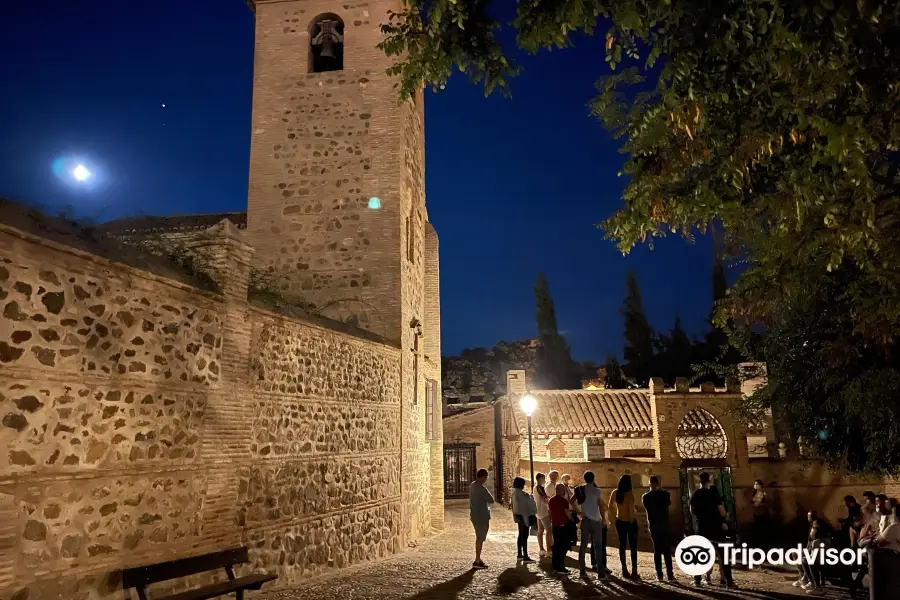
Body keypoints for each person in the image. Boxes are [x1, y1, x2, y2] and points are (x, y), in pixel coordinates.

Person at [689, 472, 734, 588]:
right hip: (716, 528)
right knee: (723, 555)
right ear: (710, 480)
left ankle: (697, 580)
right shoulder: (714, 493)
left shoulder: (695, 494)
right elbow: (722, 511)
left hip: (703, 528)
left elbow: (692, 510)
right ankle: (729, 581)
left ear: (699, 481)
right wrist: (724, 517)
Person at [575, 470, 608, 579]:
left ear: (584, 479)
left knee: (583, 546)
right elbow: (600, 506)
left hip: (585, 521)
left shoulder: (580, 489)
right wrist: (604, 519)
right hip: (596, 520)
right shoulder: (597, 490)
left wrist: (579, 512)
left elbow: (571, 501)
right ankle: (601, 572)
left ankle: (582, 570)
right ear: (593, 478)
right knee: (598, 547)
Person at [642, 475, 675, 582]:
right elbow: (669, 504)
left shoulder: (645, 497)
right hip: (664, 525)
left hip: (653, 525)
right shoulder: (665, 494)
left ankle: (659, 575)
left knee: (657, 550)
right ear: (658, 483)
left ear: (649, 483)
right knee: (666, 550)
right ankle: (670, 575)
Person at [794, 511, 833, 596]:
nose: (811, 531)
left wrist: (806, 557)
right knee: (806, 559)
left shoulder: (817, 541)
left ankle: (815, 585)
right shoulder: (824, 539)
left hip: (822, 562)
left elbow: (815, 557)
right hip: (825, 560)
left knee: (806, 561)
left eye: (813, 530)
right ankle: (814, 583)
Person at [608, 474, 639, 579]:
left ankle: (624, 569)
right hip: (630, 522)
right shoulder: (630, 493)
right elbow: (631, 508)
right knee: (633, 546)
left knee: (622, 545)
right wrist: (632, 519)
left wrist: (614, 519)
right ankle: (634, 570)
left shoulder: (615, 492)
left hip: (620, 521)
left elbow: (610, 506)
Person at [469, 468, 494, 569]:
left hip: (474, 515)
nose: (486, 479)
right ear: (483, 477)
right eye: (486, 477)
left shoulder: (472, 485)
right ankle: (477, 560)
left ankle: (478, 559)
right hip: (481, 516)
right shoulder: (481, 488)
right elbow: (491, 499)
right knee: (480, 538)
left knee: (478, 538)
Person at [511, 476, 536, 562]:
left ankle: (519, 554)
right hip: (524, 516)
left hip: (518, 516)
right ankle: (525, 555)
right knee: (525, 536)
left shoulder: (514, 493)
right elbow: (528, 506)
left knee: (520, 535)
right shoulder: (522, 494)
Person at [549, 483, 572, 574]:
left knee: (556, 546)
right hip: (562, 526)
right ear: (562, 491)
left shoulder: (551, 500)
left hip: (554, 525)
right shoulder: (563, 501)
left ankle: (555, 566)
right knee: (562, 548)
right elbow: (567, 513)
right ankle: (561, 567)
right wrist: (572, 519)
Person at [534, 472, 552, 557]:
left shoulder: (534, 487)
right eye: (544, 478)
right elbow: (545, 499)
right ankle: (549, 550)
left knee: (540, 530)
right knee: (549, 530)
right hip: (543, 512)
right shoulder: (540, 488)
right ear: (540, 479)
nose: (544, 480)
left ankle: (541, 549)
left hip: (538, 512)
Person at [752, 480, 772, 549]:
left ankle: (766, 545)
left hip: (763, 516)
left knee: (764, 532)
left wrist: (760, 504)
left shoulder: (764, 494)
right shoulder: (755, 494)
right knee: (758, 532)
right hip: (757, 515)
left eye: (757, 484)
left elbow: (769, 504)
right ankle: (760, 545)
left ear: (761, 485)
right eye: (755, 484)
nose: (755, 485)